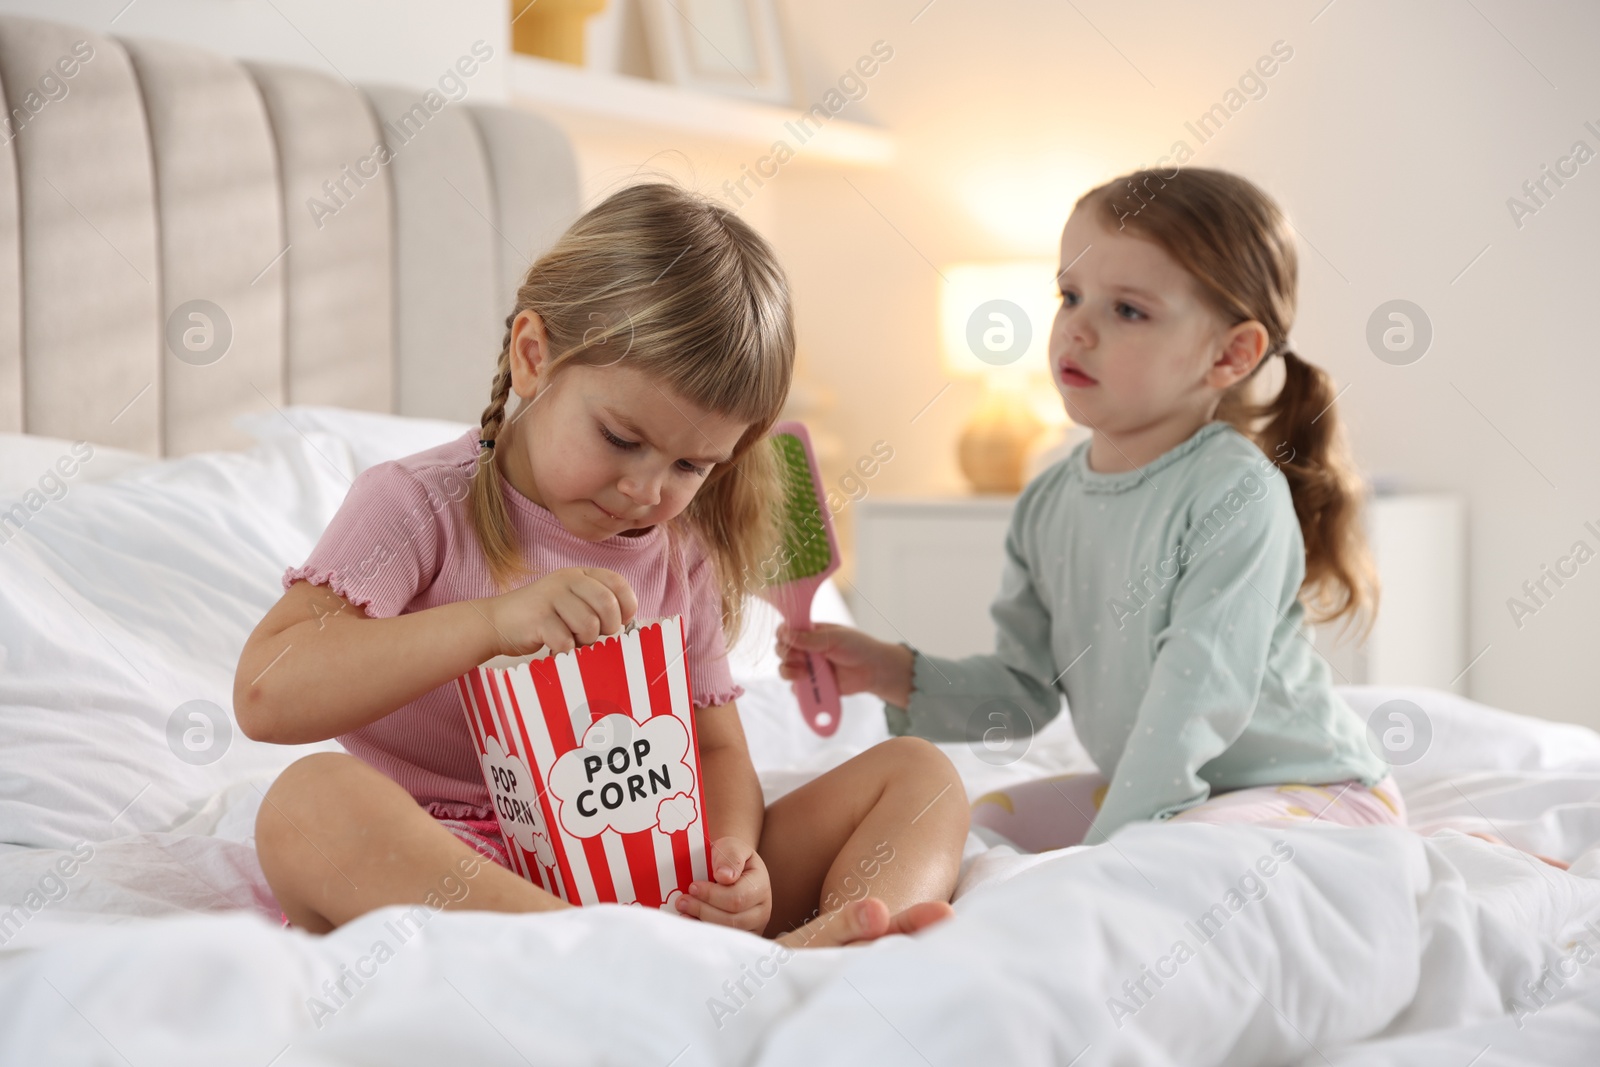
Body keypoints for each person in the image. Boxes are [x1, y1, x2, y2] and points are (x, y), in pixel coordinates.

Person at [237, 183, 968, 945]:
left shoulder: (680, 554)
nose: (646, 490)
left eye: (691, 464)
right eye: (621, 438)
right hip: (461, 872)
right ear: (533, 356)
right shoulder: (416, 505)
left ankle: (837, 954)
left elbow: (715, 749)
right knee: (306, 804)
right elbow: (267, 691)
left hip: (654, 875)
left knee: (921, 776)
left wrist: (730, 859)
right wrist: (490, 624)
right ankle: (608, 959)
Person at [779, 167, 1405, 851]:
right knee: (977, 829)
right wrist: (890, 670)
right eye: (1069, 295)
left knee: (1178, 861)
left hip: (1308, 793)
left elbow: (1194, 701)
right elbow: (1024, 691)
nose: (1076, 330)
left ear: (1231, 354)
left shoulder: (1236, 493)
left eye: (1127, 309)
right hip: (1169, 792)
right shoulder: (1049, 499)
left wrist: (1115, 848)